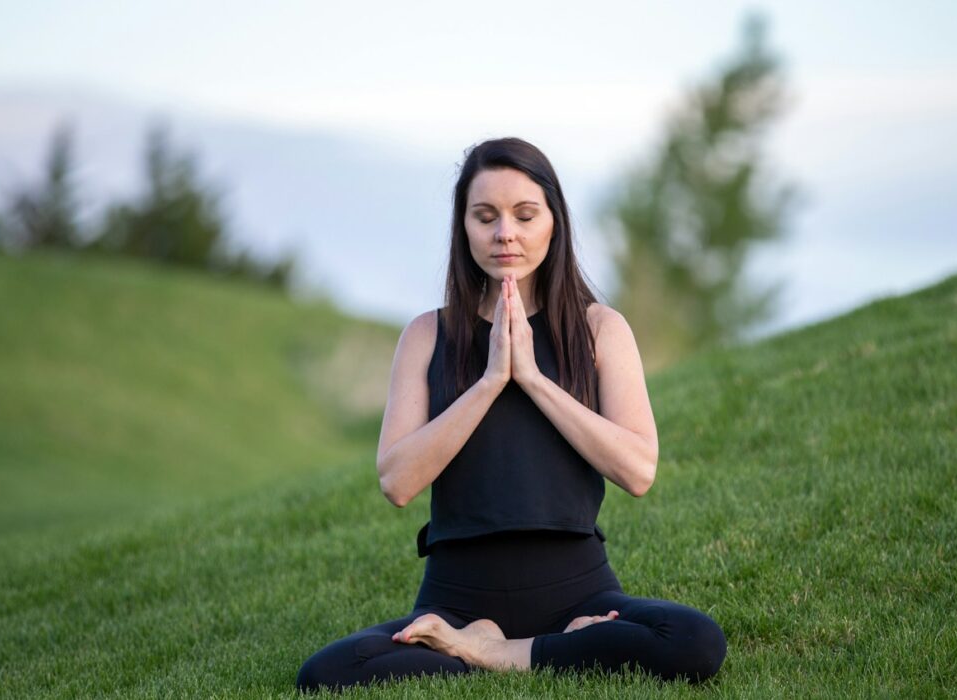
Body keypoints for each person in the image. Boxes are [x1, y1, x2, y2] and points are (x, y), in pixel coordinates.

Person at [295, 137, 726, 692]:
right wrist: (492, 378)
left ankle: (493, 653)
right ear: (464, 227)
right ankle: (526, 646)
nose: (506, 233)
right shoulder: (426, 335)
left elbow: (638, 471)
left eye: (525, 214)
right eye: (485, 216)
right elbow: (396, 481)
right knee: (326, 673)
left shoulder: (600, 330)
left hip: (580, 592)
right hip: (456, 599)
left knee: (694, 641)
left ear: (554, 222)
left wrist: (533, 378)